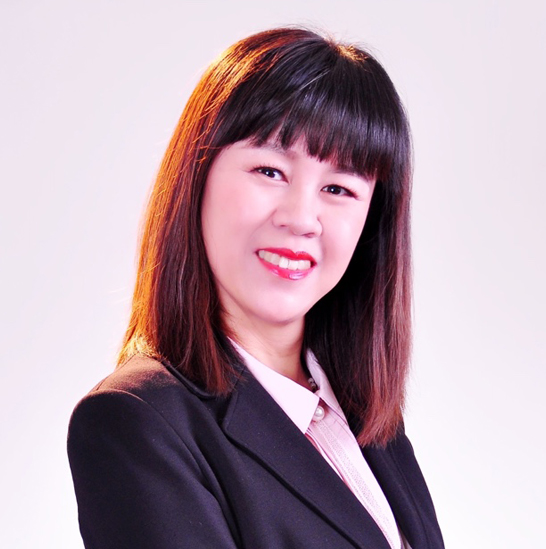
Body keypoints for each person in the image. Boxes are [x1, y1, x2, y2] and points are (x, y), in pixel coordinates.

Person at [67, 27, 444, 549]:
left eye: (338, 188)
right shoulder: (136, 422)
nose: (301, 218)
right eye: (269, 170)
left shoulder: (364, 417)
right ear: (197, 177)